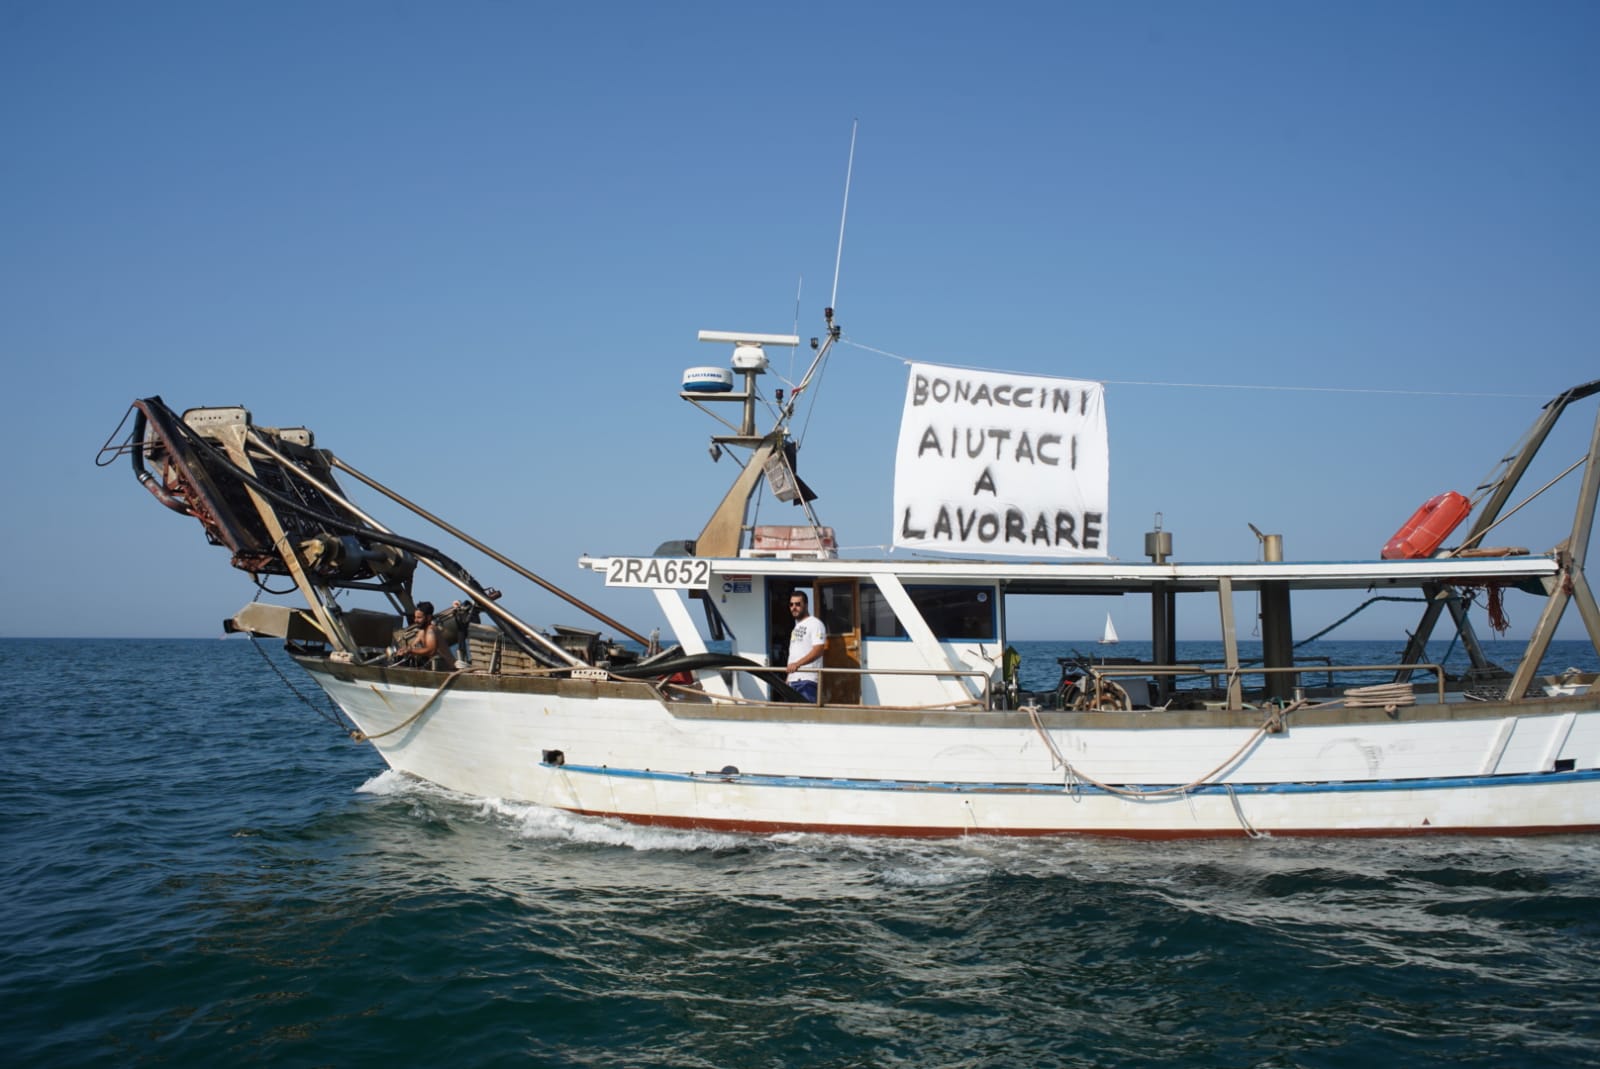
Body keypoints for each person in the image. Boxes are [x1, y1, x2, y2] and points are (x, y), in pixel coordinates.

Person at [784, 591, 827, 703]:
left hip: (808, 681)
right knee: (793, 719)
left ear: (806, 605)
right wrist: (788, 678)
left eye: (798, 604)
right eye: (791, 604)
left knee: (808, 718)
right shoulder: (796, 628)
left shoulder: (815, 624)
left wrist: (797, 664)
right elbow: (793, 655)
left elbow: (818, 650)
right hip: (793, 682)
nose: (794, 607)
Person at [401, 601, 449, 670]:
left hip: (449, 669)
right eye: (415, 617)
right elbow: (413, 646)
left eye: (419, 617)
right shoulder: (422, 631)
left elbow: (430, 651)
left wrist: (411, 651)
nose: (415, 620)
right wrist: (404, 650)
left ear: (428, 617)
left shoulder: (431, 630)